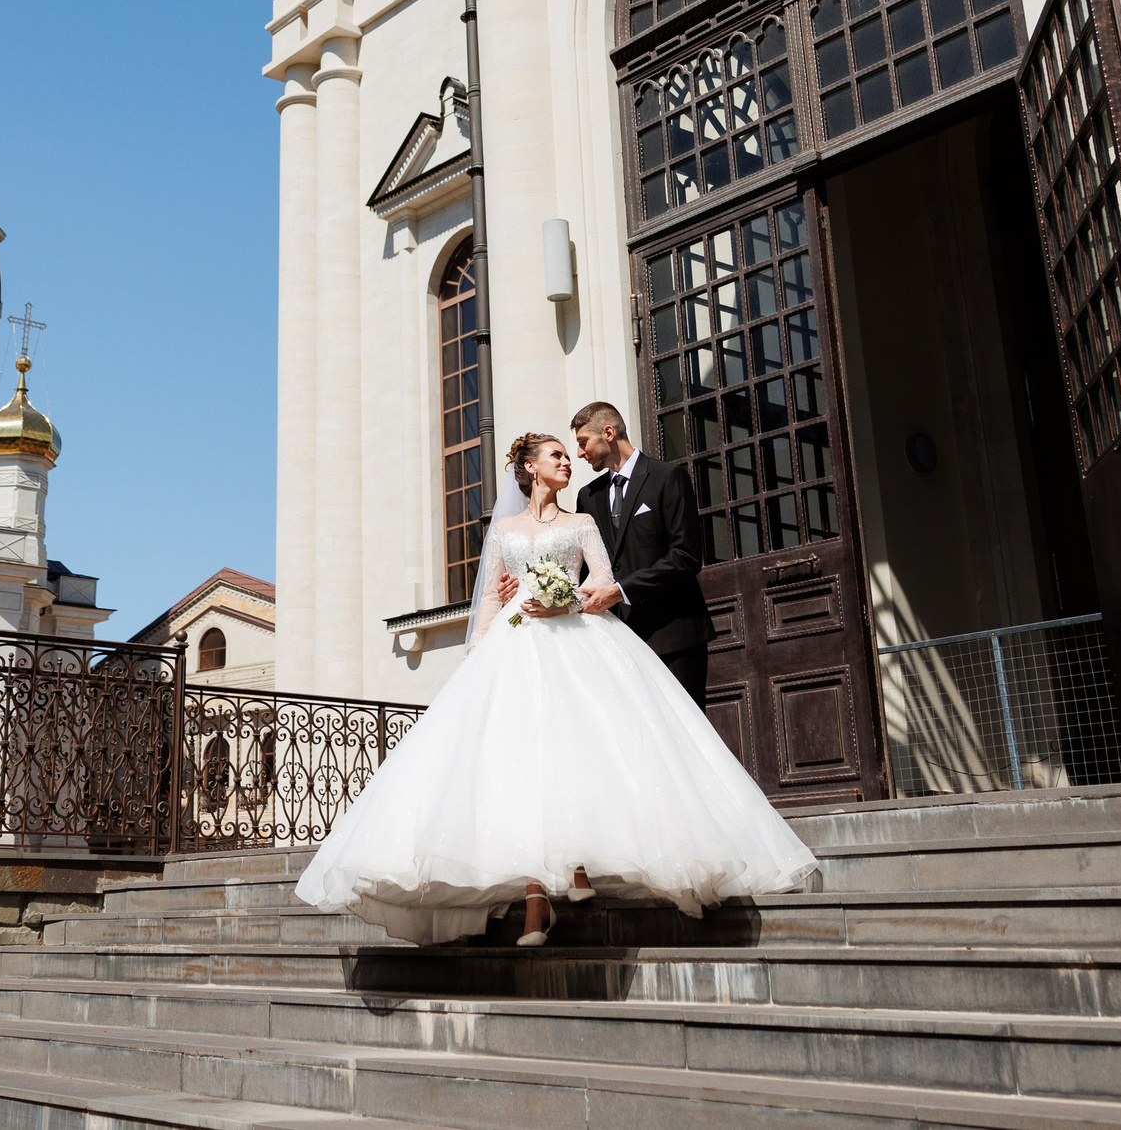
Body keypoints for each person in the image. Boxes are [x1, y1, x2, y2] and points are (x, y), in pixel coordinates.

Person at [293, 432, 816, 947]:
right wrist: (478, 657)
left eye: (571, 454)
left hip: (578, 638)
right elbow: (494, 603)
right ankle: (536, 900)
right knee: (519, 763)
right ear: (530, 469)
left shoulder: (584, 520)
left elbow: (603, 583)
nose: (569, 462)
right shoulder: (503, 533)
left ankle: (578, 864)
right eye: (557, 456)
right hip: (516, 647)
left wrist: (564, 602)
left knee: (581, 750)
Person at [497, 400, 714, 708]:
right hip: (615, 639)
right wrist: (524, 587)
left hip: (673, 634)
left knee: (683, 736)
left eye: (583, 443)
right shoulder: (590, 495)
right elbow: (581, 569)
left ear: (608, 433)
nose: (580, 454)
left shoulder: (668, 478)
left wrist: (620, 591)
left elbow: (686, 556)